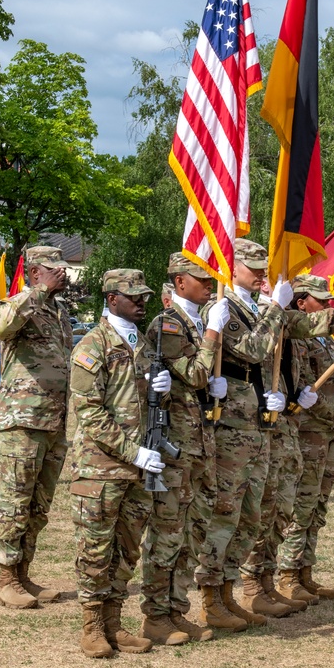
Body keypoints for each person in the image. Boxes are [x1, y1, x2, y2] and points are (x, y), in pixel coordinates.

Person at [238, 275, 334, 616]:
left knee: (317, 508)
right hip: (310, 433)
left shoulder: (324, 342)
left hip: (328, 437)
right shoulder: (300, 338)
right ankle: (287, 576)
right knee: (298, 510)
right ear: (300, 303)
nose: (326, 305)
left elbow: (332, 385)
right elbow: (307, 394)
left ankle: (304, 573)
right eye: (319, 301)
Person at [68, 269, 168, 659]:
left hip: (138, 467)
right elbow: (89, 414)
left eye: (143, 296)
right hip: (100, 468)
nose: (141, 302)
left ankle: (114, 622)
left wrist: (164, 389)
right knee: (95, 548)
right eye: (133, 297)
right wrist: (133, 452)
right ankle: (92, 625)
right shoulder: (92, 346)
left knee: (127, 550)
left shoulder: (141, 344)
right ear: (111, 299)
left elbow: (144, 405)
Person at [193, 239, 292, 631]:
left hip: (258, 421)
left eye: (262, 267)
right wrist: (276, 308)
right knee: (225, 513)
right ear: (232, 269)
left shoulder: (254, 307)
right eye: (252, 267)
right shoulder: (221, 306)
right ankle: (208, 596)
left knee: (252, 515)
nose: (261, 274)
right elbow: (251, 350)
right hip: (230, 424)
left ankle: (229, 591)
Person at [138, 253, 230, 645]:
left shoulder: (191, 322)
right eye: (201, 280)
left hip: (199, 442)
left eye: (210, 280)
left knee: (194, 529)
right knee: (167, 531)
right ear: (179, 283)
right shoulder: (168, 324)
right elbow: (194, 373)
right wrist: (211, 333)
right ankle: (156, 615)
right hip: (175, 445)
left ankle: (177, 610)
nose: (209, 286)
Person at [0, 245, 73, 609]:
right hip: (22, 419)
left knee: (40, 503)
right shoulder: (16, 304)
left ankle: (23, 573)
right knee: (16, 500)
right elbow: (3, 327)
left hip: (54, 419)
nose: (62, 275)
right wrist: (36, 294)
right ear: (35, 272)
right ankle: (6, 577)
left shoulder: (60, 312)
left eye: (62, 269)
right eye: (54, 270)